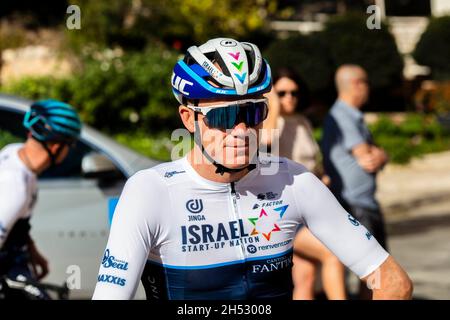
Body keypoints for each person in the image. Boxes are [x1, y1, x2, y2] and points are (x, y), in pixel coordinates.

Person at [92, 38, 412, 300]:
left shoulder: (295, 181)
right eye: (224, 117)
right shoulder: (150, 191)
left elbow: (393, 283)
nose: (242, 131)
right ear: (189, 119)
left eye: (254, 113)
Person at [262, 68, 346, 300]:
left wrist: (324, 179)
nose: (289, 97)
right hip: (286, 210)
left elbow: (312, 165)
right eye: (282, 93)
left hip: (311, 207)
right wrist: (272, 104)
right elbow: (267, 141)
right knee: (333, 254)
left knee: (305, 279)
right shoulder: (270, 124)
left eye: (294, 92)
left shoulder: (302, 122)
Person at [0, 99, 82, 298]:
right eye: (69, 145)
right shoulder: (15, 186)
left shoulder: (15, 153)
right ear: (56, 147)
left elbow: (15, 221)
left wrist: (32, 249)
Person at [321, 64, 390, 299]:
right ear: (356, 84)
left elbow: (372, 156)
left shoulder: (350, 115)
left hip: (363, 202)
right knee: (373, 272)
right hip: (355, 203)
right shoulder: (343, 115)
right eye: (367, 82)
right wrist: (381, 154)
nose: (369, 88)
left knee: (374, 273)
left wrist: (380, 154)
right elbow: (367, 157)